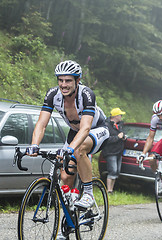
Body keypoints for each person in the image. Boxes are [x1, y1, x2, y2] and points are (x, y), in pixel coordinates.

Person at [26, 60, 110, 212]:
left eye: (68, 80)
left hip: (96, 129)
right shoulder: (53, 95)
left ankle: (89, 194)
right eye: (60, 80)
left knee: (79, 150)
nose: (63, 84)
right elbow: (41, 124)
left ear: (77, 80)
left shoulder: (86, 94)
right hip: (75, 133)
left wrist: (70, 149)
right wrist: (34, 145)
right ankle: (71, 211)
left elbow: (85, 129)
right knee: (65, 176)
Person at [101, 107, 126, 193]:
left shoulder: (119, 125)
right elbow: (106, 139)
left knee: (117, 171)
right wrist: (117, 137)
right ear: (116, 116)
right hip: (110, 152)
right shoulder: (107, 125)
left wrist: (123, 137)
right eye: (120, 115)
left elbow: (121, 135)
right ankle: (109, 190)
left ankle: (111, 189)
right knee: (112, 170)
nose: (121, 117)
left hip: (119, 152)